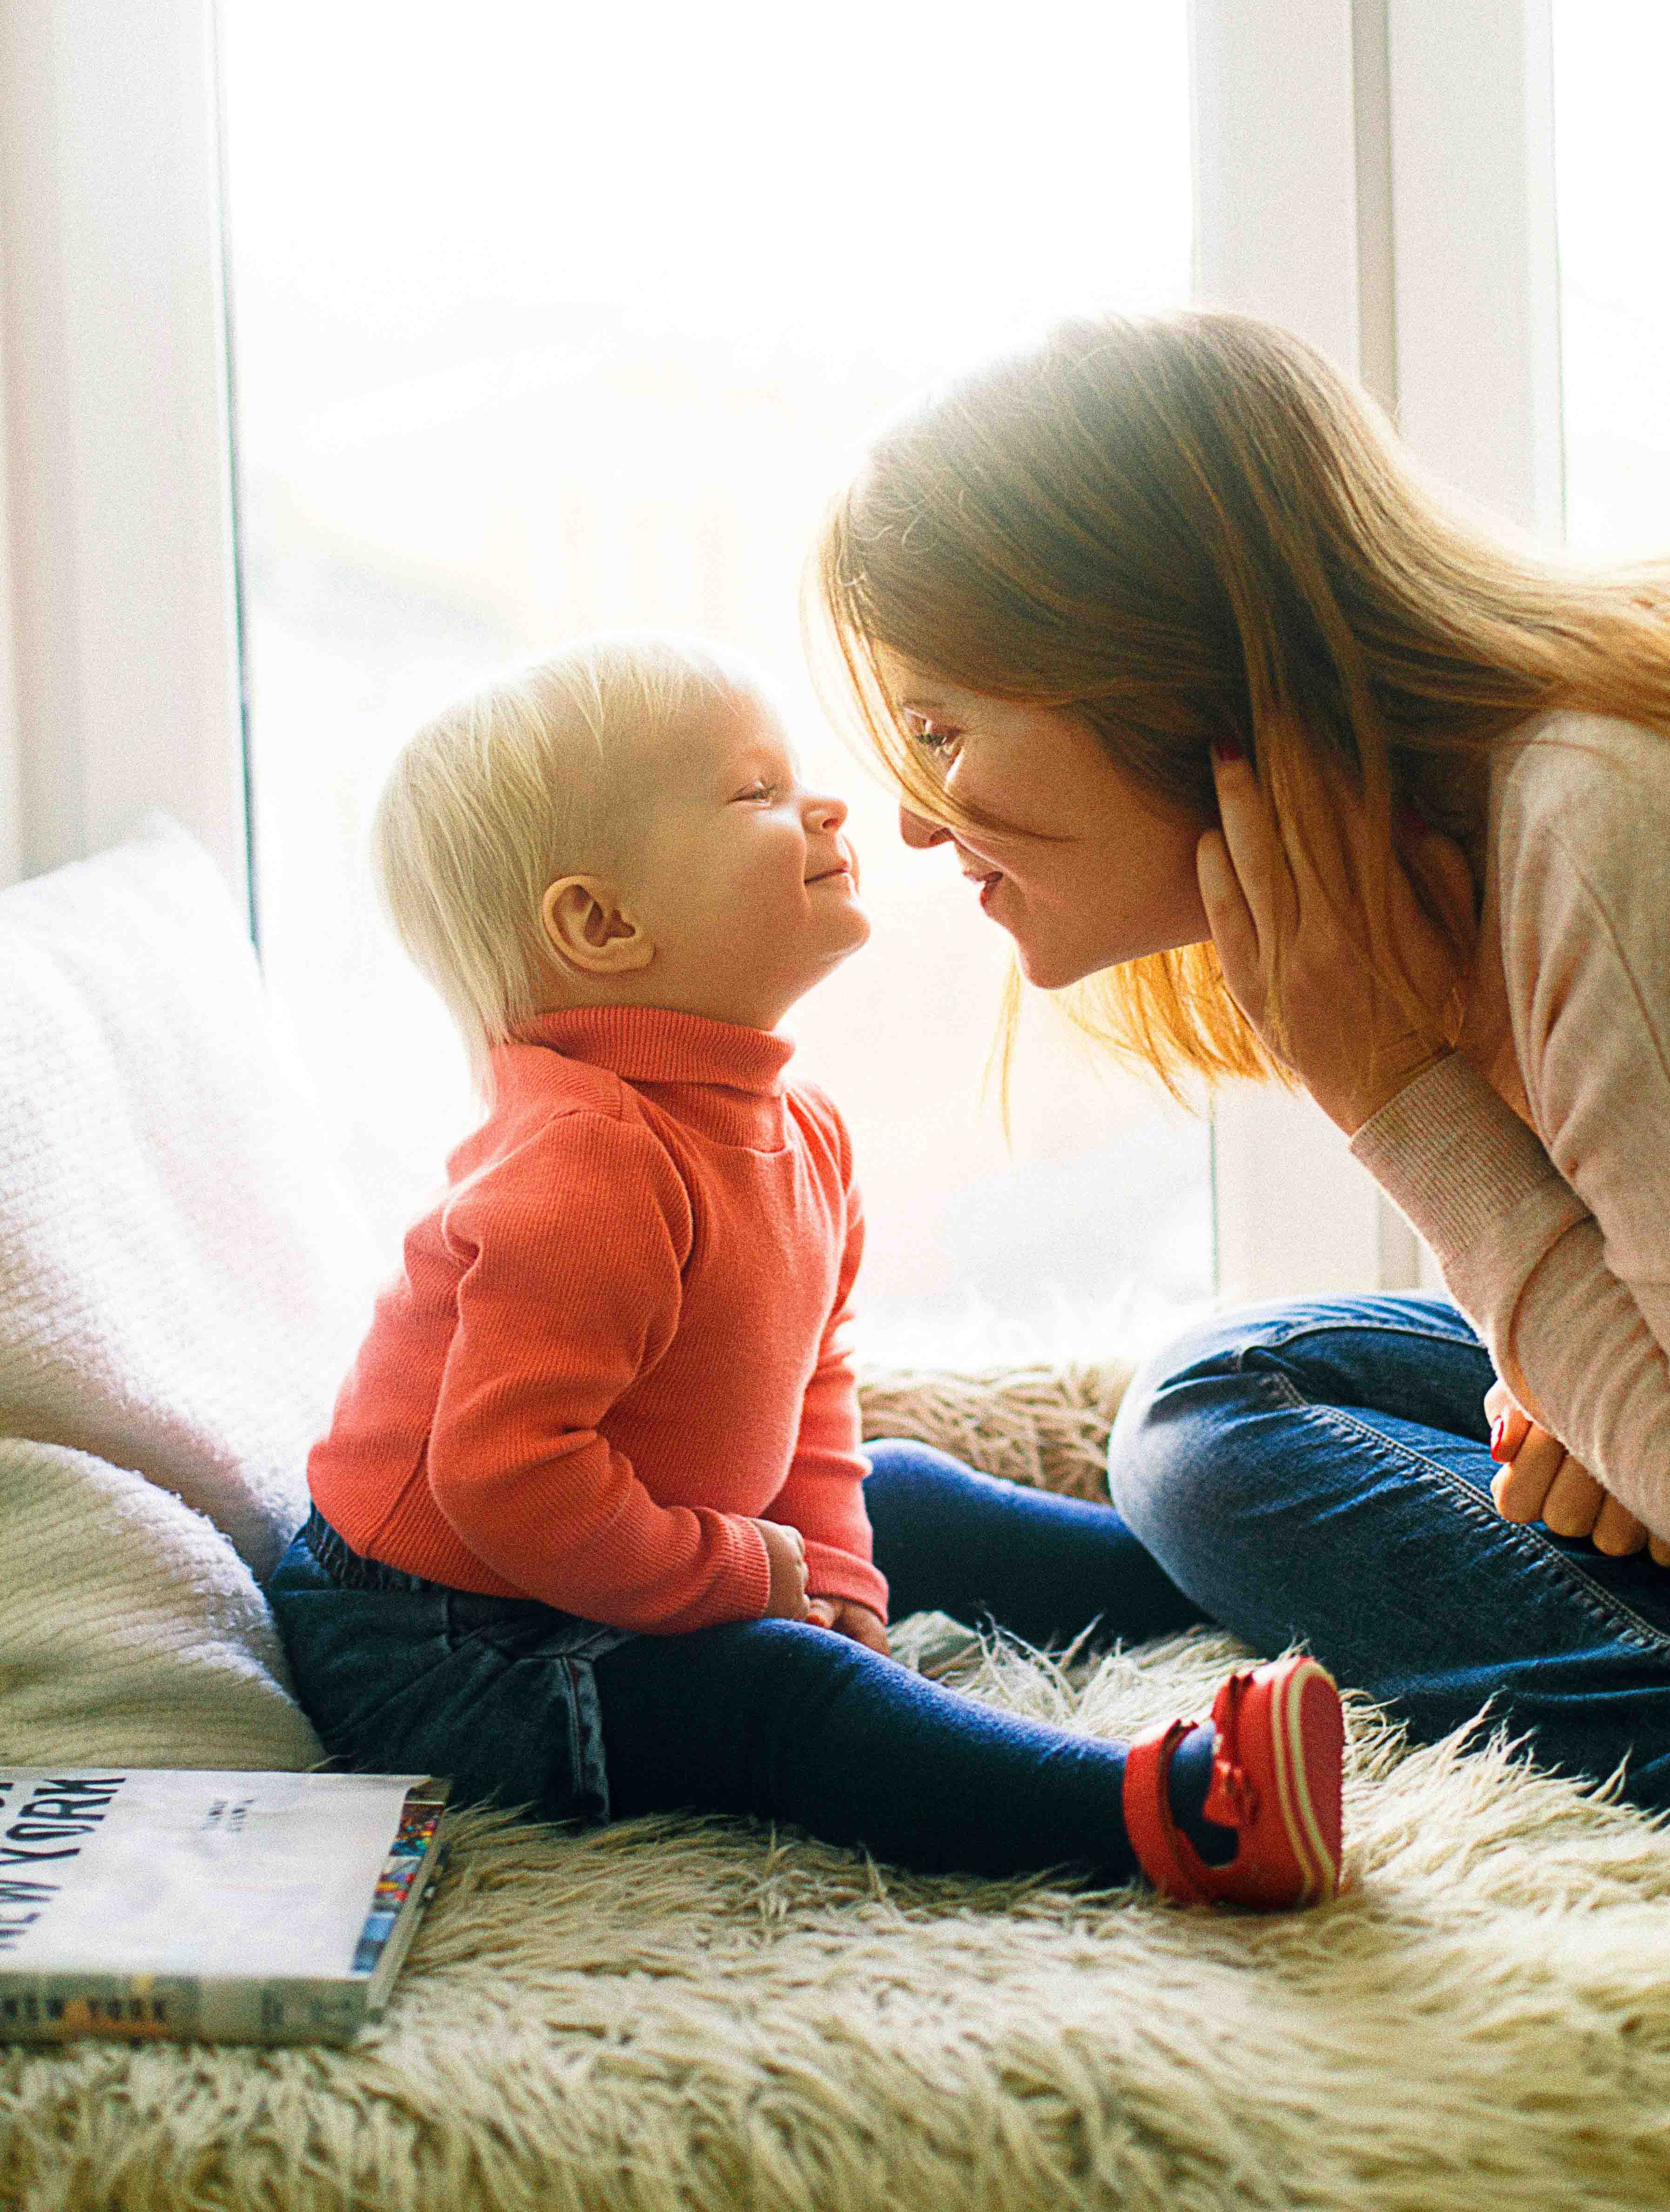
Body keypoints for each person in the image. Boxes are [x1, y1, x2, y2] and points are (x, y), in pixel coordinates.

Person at [811, 305, 1670, 1857]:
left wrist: (1400, 1097)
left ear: (1149, 665)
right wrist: (1585, 1395)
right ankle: (1260, 1582)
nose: (923, 823)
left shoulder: (1602, 824)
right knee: (1225, 1393)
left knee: (1214, 1433)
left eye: (943, 730)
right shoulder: (1495, 819)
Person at [265, 631, 1345, 1911]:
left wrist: (832, 1572)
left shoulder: (802, 1133)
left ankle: (1262, 1584)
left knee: (905, 1491)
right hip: (442, 1646)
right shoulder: (585, 1164)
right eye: (756, 793)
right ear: (602, 925)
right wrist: (737, 1581)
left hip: (604, 1548)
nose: (829, 803)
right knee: (782, 1696)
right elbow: (504, 1479)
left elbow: (811, 1390)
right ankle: (1174, 1812)